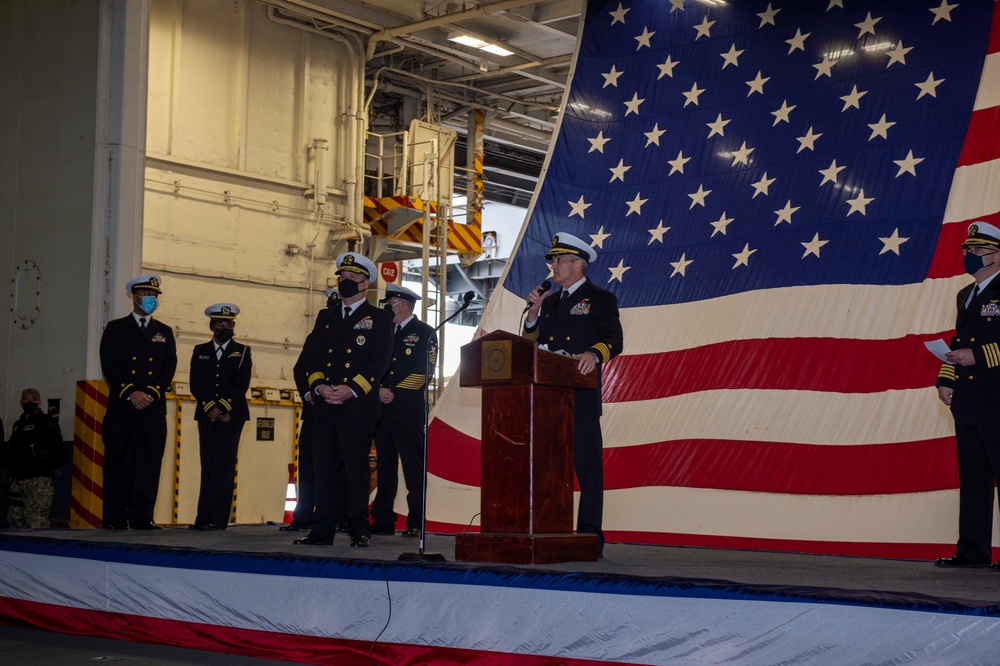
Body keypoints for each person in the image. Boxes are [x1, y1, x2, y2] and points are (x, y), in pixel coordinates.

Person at [523, 232, 623, 555]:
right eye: (553, 260)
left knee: (588, 466)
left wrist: (593, 354)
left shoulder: (600, 298)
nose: (553, 265)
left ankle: (589, 534)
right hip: (549, 397)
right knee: (549, 464)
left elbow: (614, 339)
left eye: (559, 260)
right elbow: (534, 343)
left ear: (578, 264)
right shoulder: (550, 302)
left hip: (580, 395)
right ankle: (551, 527)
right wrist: (533, 315)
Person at [293, 253, 392, 547]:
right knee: (322, 467)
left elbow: (379, 362)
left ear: (365, 284)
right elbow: (311, 357)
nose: (345, 282)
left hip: (357, 405)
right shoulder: (326, 317)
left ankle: (358, 528)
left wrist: (350, 389)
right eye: (342, 277)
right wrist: (320, 387)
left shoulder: (379, 319)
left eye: (352, 278)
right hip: (326, 404)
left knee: (355, 468)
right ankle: (321, 529)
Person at [935, 221, 1000, 568]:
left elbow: (978, 349)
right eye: (967, 251)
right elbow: (960, 342)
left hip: (998, 393)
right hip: (970, 397)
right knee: (973, 476)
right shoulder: (965, 295)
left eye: (977, 250)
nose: (970, 256)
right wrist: (947, 379)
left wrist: (982, 355)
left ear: (997, 254)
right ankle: (972, 551)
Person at [99, 273, 178, 530]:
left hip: (152, 408)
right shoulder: (116, 329)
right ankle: (117, 517)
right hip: (124, 406)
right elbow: (109, 364)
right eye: (146, 295)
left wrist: (152, 393)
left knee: (150, 462)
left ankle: (144, 517)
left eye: (154, 296)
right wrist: (131, 392)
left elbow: (168, 367)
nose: (151, 299)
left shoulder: (163, 332)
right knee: (121, 461)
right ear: (134, 297)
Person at [370, 283, 437, 538]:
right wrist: (377, 388)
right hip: (382, 410)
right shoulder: (384, 331)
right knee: (384, 467)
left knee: (413, 467)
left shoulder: (425, 332)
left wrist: (393, 391)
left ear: (405, 305)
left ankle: (416, 522)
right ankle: (382, 520)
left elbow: (425, 373)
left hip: (408, 410)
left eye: (391, 303)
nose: (387, 307)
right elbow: (373, 365)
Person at [283, 288, 346, 533]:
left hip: (342, 410)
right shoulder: (316, 337)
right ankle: (304, 516)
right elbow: (301, 369)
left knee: (341, 468)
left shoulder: (355, 337)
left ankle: (340, 516)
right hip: (315, 411)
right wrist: (310, 393)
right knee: (308, 466)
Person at [189, 303, 252, 530]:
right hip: (207, 415)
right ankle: (203, 517)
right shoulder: (200, 351)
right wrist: (211, 408)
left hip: (232, 416)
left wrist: (224, 409)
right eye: (220, 324)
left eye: (229, 324)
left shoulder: (242, 351)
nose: (225, 327)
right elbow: (196, 383)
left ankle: (218, 519)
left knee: (225, 466)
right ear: (212, 326)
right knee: (208, 464)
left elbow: (240, 384)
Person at [4, 389, 65, 528]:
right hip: (18, 480)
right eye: (26, 400)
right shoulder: (17, 426)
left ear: (39, 402)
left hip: (39, 481)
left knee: (37, 521)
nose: (29, 402)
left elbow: (59, 453)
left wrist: (45, 468)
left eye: (33, 399)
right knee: (15, 520)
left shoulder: (47, 423)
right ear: (21, 403)